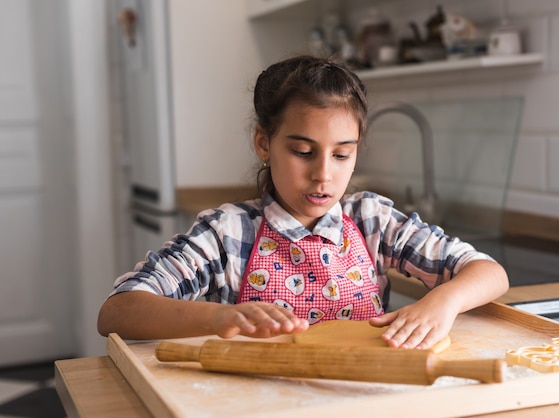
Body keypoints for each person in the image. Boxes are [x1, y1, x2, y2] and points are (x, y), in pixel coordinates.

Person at [97, 55, 509, 350]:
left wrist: (443, 300)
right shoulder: (227, 233)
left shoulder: (372, 221)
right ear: (264, 143)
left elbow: (489, 273)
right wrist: (219, 318)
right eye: (303, 151)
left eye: (341, 155)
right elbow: (118, 312)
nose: (323, 174)